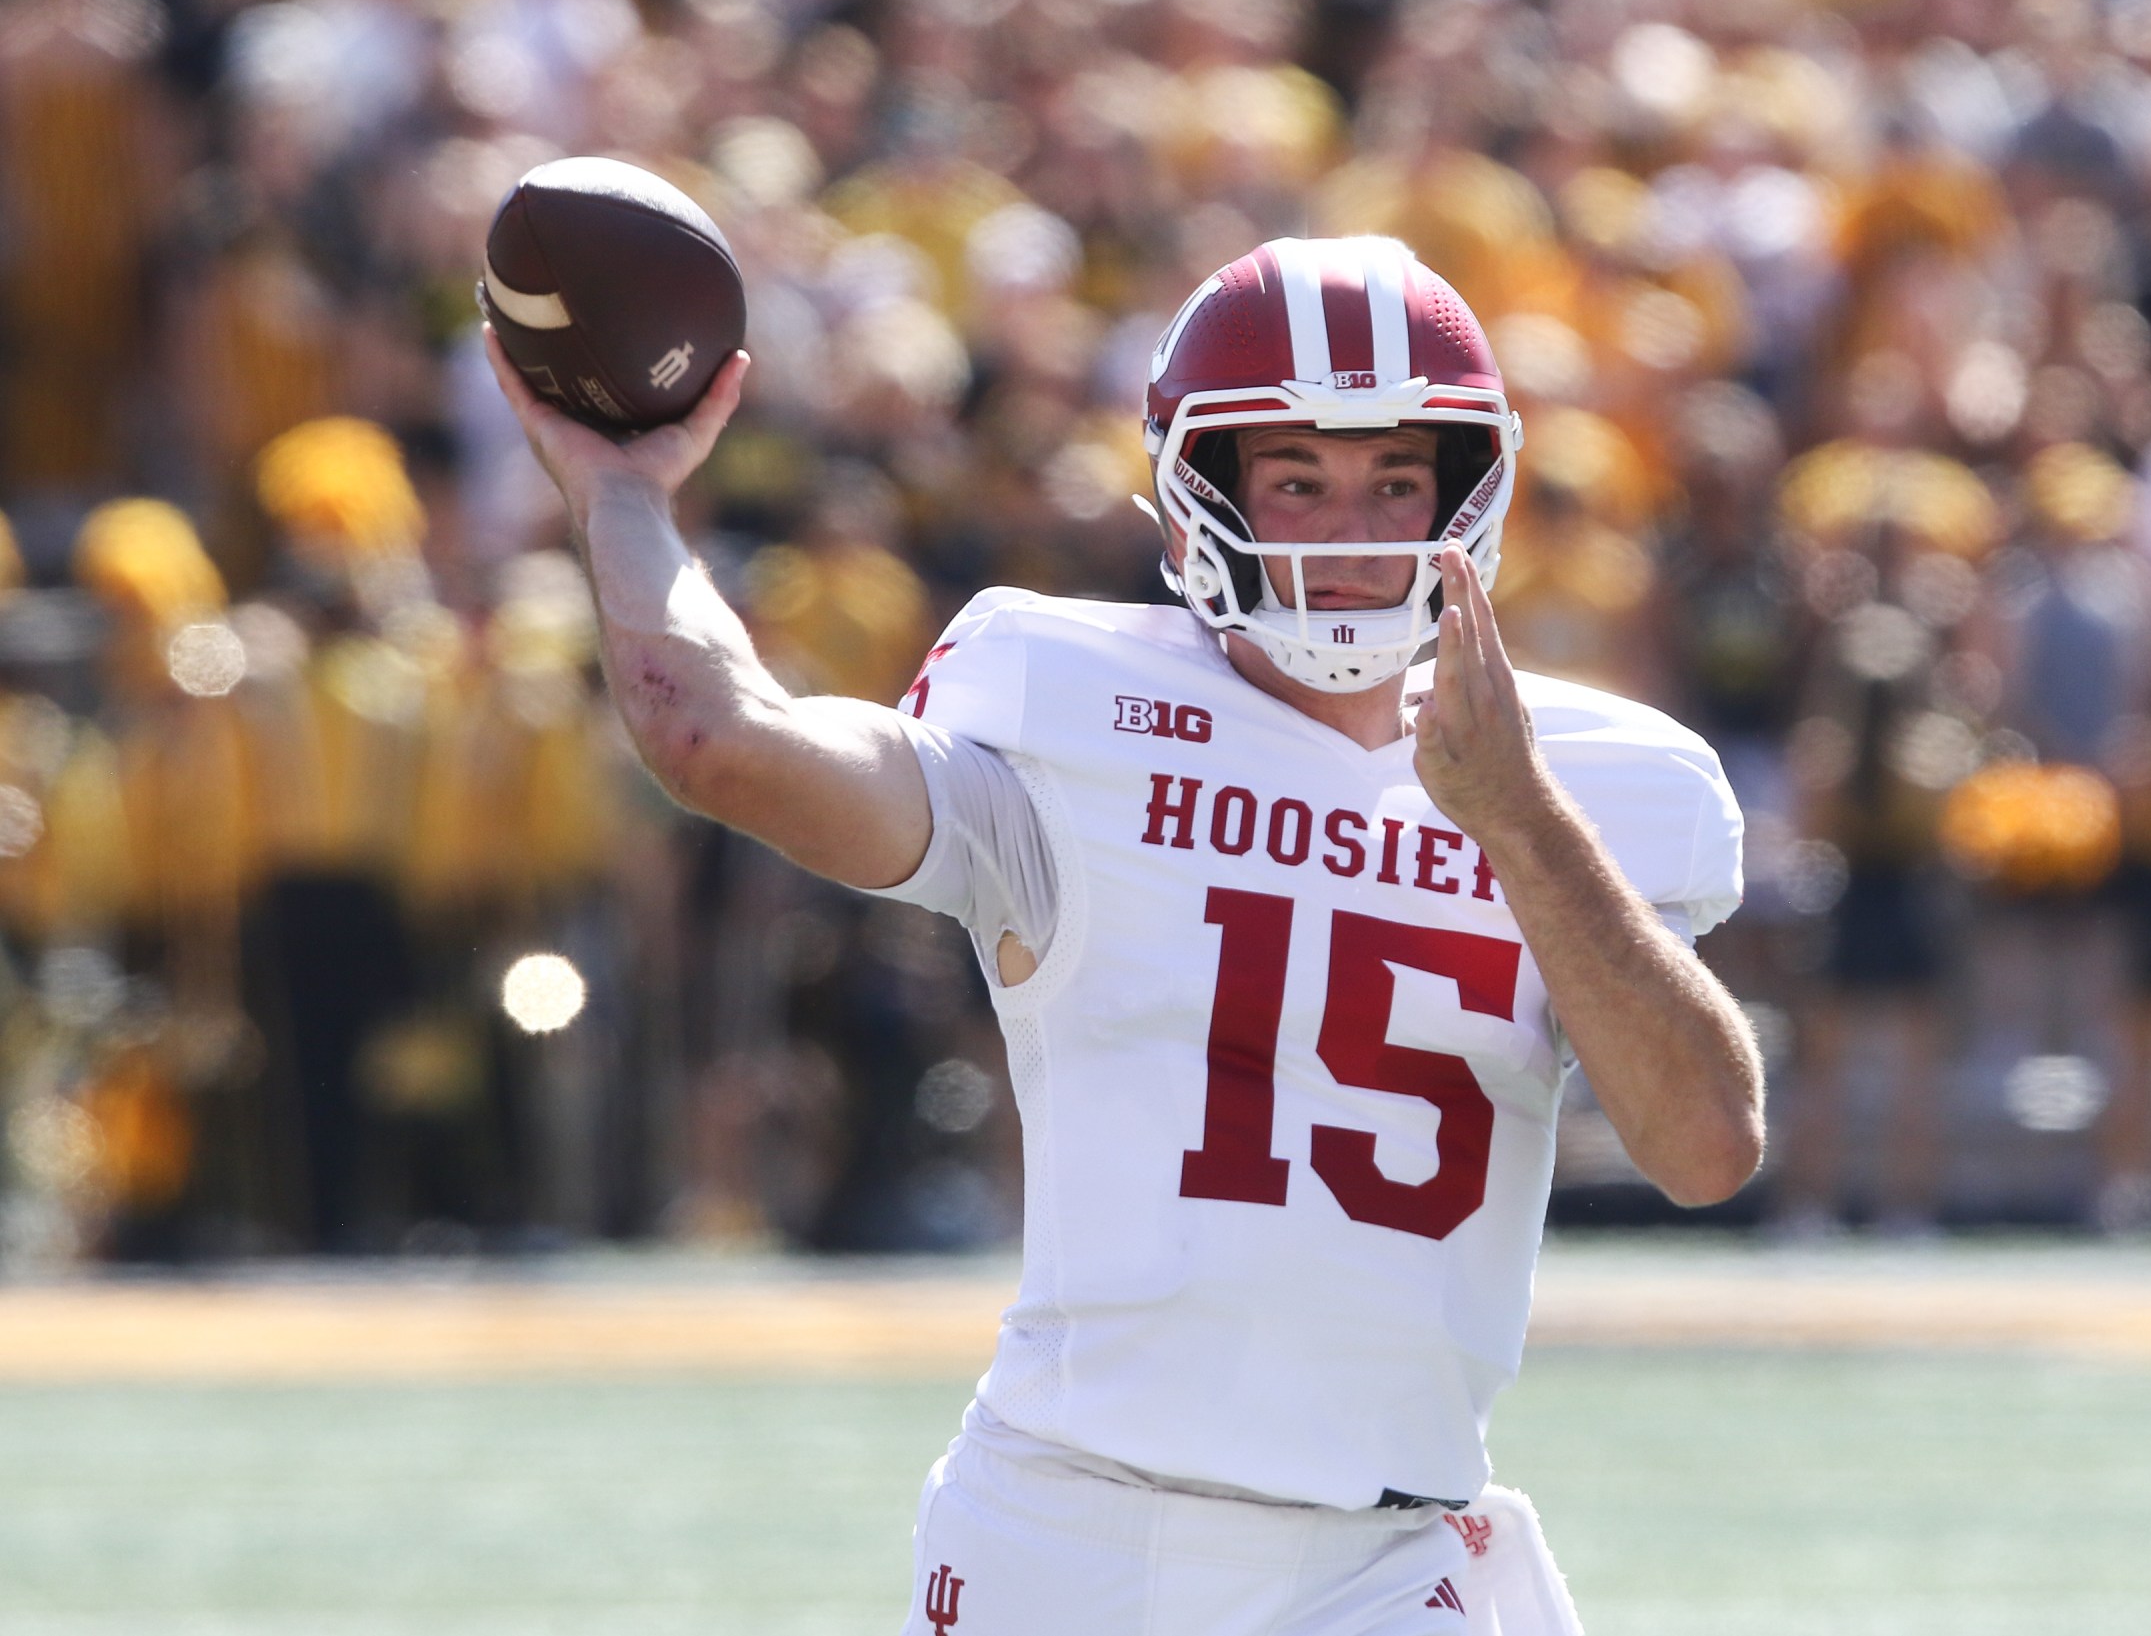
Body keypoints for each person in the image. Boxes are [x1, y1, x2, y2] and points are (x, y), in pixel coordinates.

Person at [487, 235, 1762, 1635]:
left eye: (1397, 481)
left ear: (1470, 489)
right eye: (1299, 482)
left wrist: (1518, 820)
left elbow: (1706, 1144)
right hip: (1067, 1535)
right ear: (1202, 492)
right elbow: (718, 740)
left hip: (1390, 1558)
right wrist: (621, 498)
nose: (1353, 536)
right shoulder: (1069, 707)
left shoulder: (1596, 777)